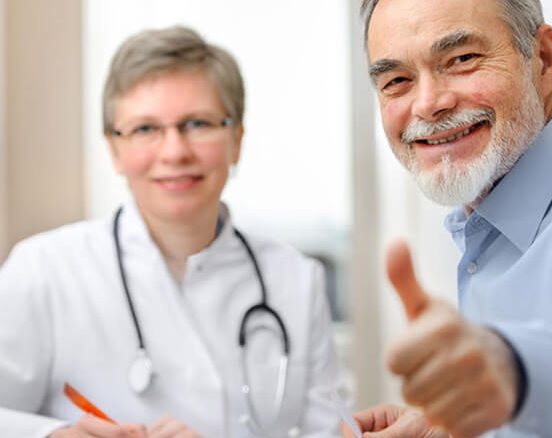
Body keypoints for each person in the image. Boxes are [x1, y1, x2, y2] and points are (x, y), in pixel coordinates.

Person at [344, 0, 552, 437]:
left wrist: (517, 371)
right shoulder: (490, 220)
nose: (427, 104)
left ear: (544, 59)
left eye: (461, 60)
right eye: (397, 80)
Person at [0, 25, 347, 437]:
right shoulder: (44, 269)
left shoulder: (295, 280)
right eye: (145, 129)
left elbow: (329, 431)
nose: (174, 152)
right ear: (114, 149)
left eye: (198, 124)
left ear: (236, 139)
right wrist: (52, 435)